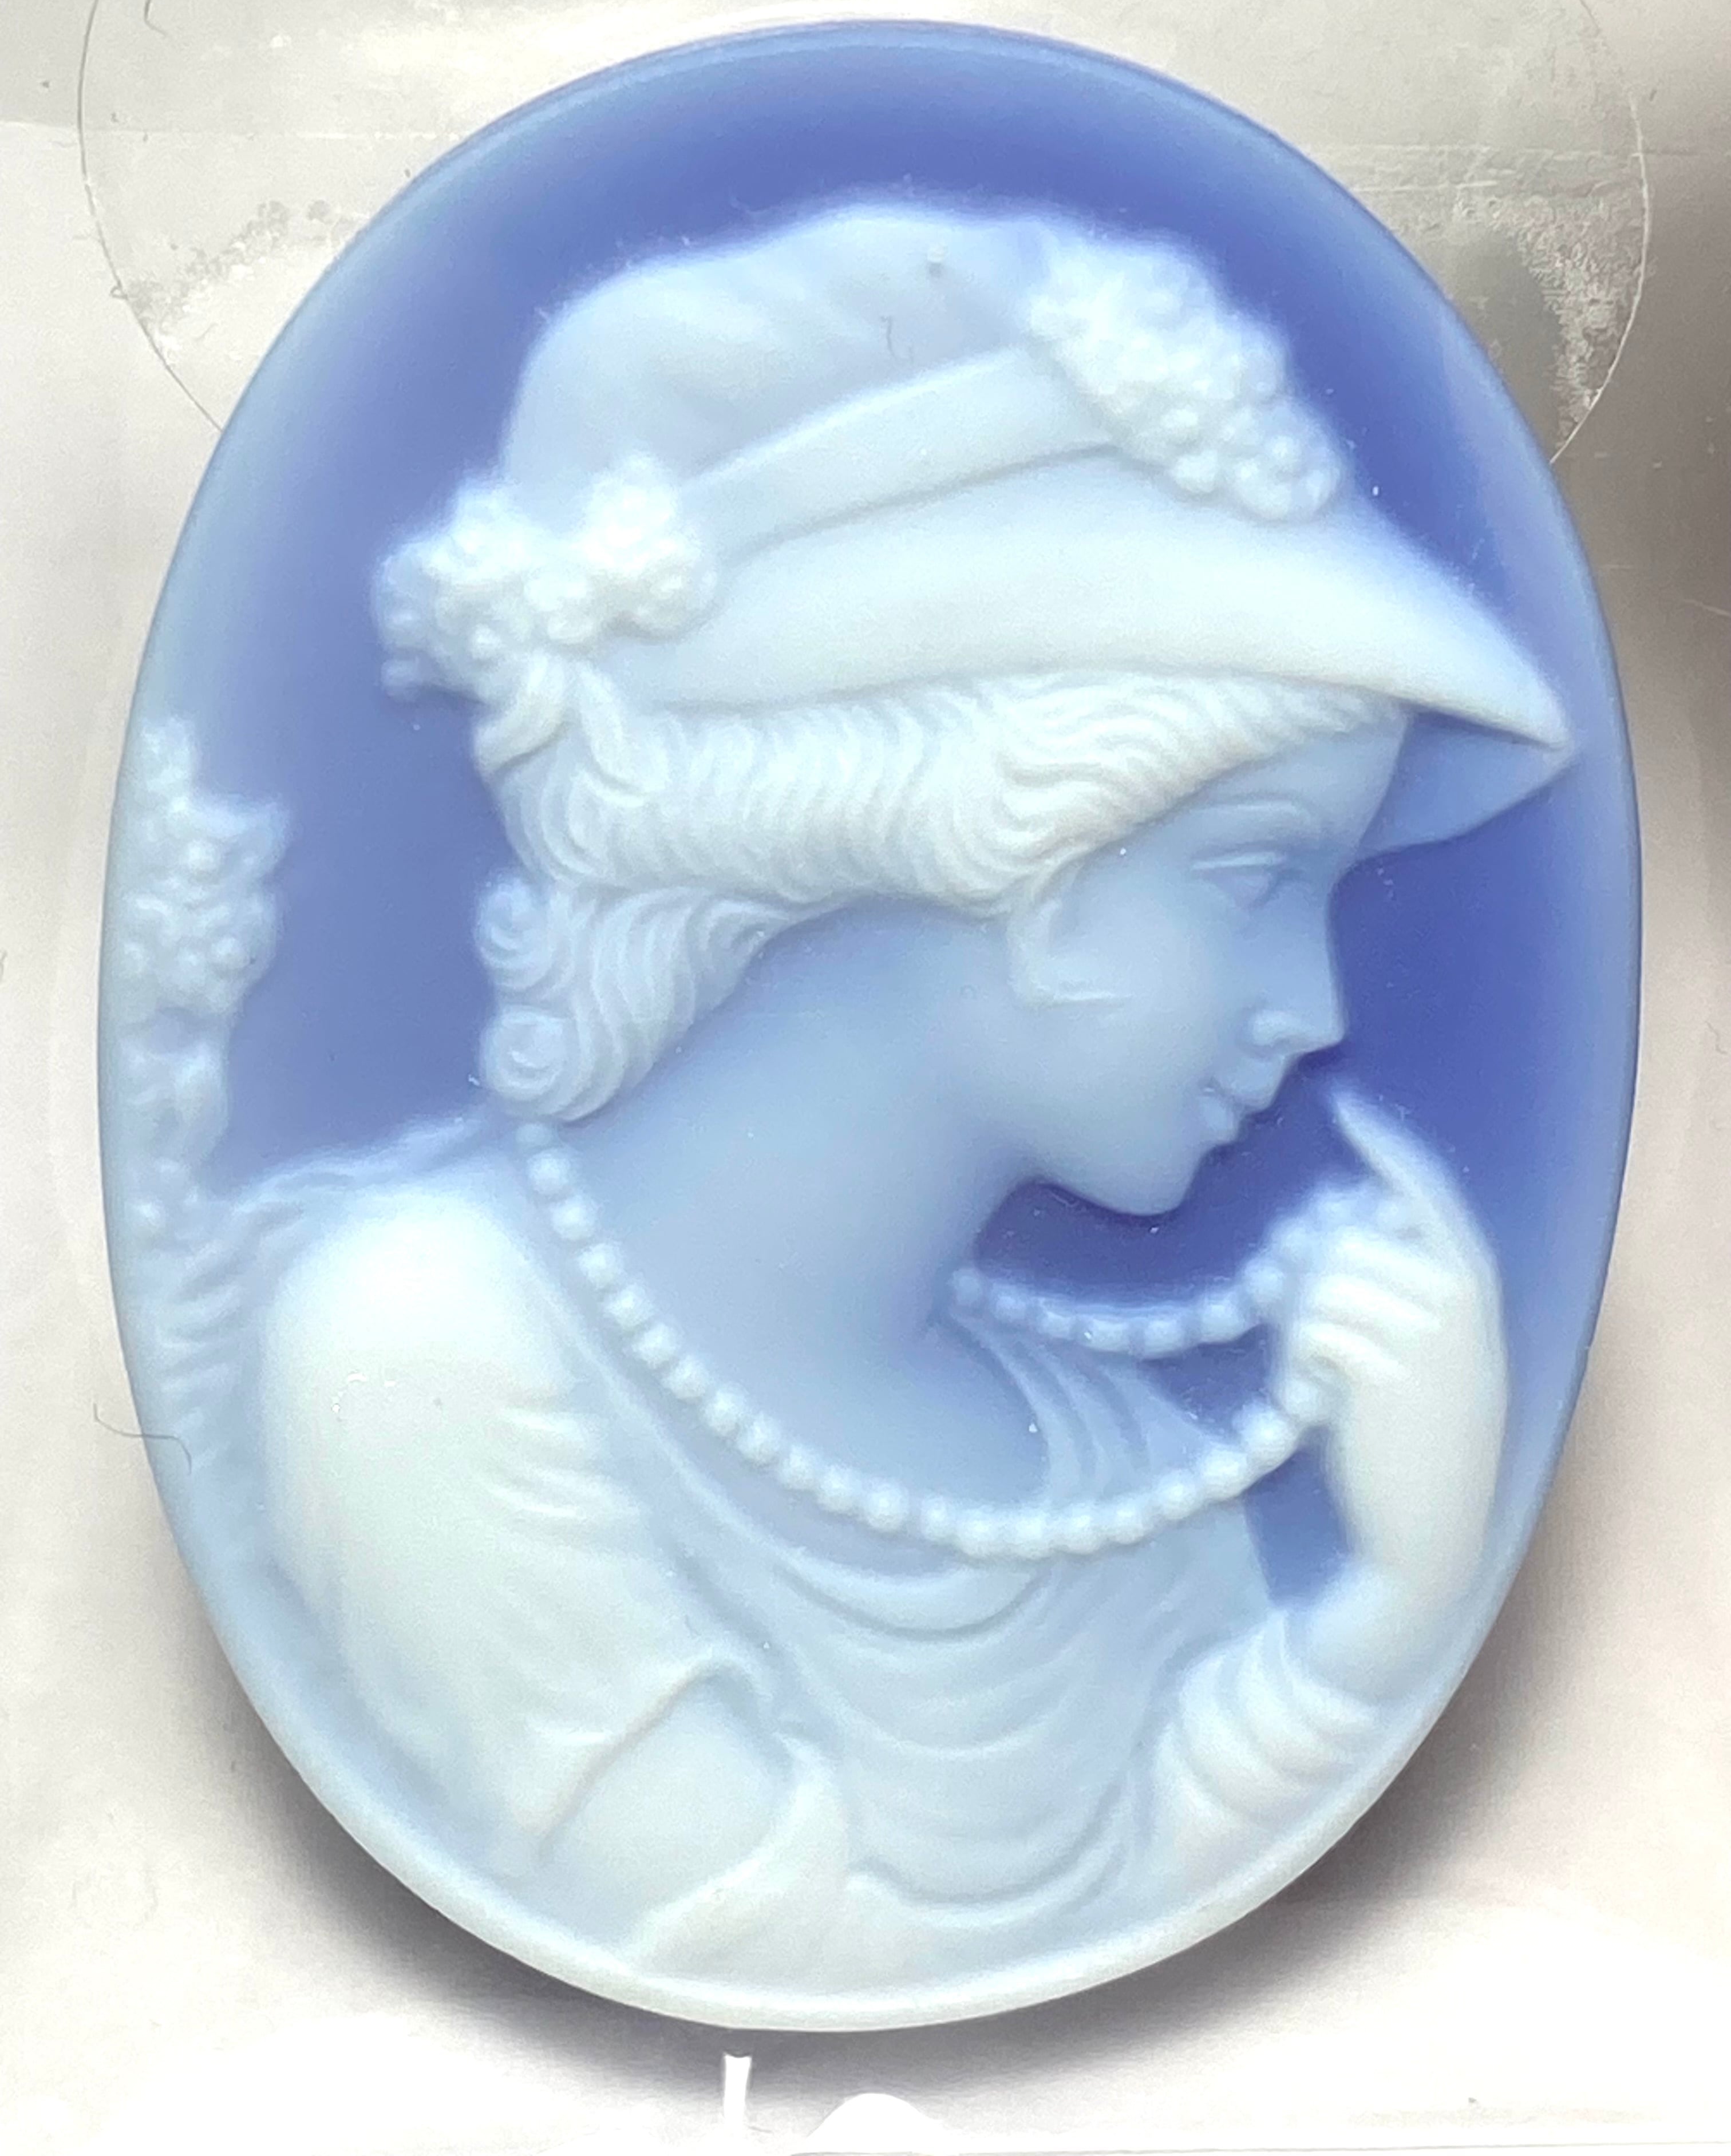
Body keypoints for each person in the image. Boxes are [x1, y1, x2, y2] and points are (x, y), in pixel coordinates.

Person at [227, 207, 1564, 2004]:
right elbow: (808, 1955)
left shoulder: (1102, 1455)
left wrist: (1386, 1616)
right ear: (991, 844)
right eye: (1255, 875)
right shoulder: (415, 1348)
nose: (1319, 1010)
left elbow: (1124, 1916)